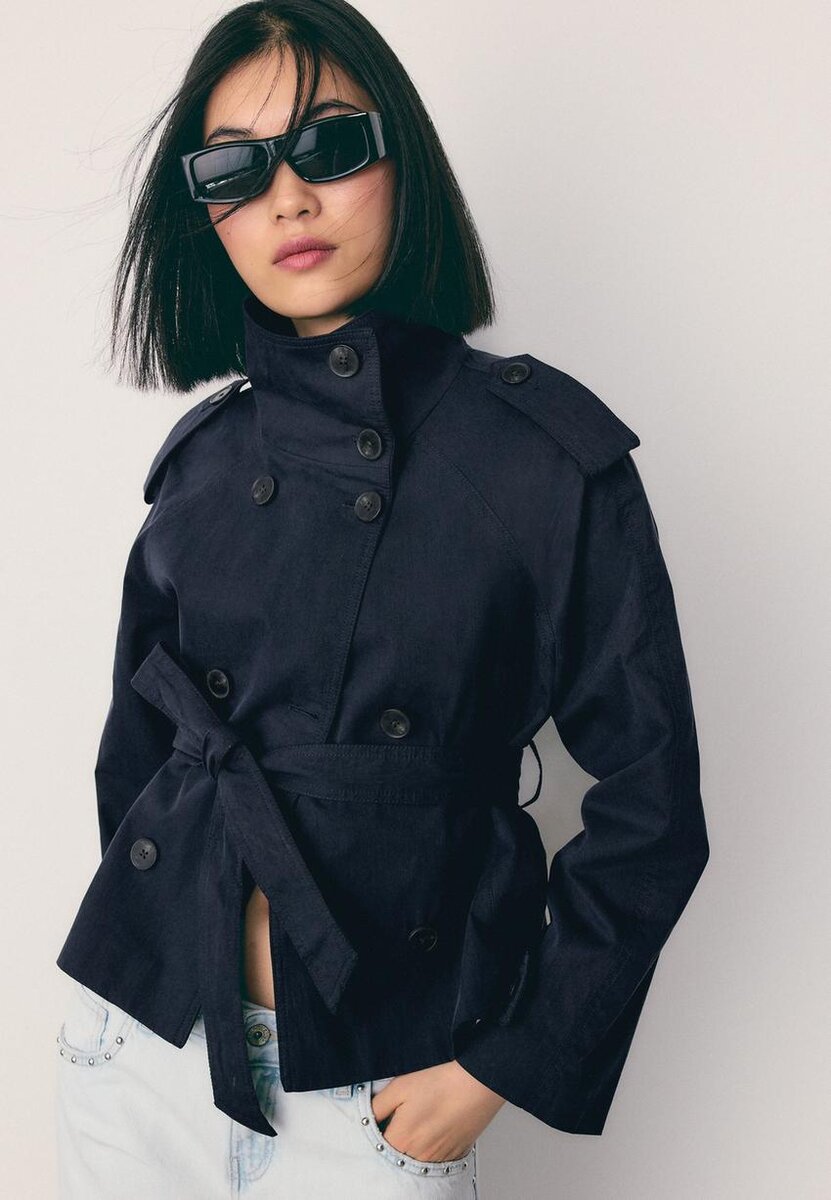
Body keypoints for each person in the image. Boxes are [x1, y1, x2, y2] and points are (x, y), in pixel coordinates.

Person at [53, 2, 710, 1196]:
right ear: (205, 213)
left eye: (331, 145)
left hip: (377, 1098)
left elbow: (652, 806)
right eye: (235, 170)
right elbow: (136, 761)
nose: (288, 199)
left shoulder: (542, 460)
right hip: (136, 1053)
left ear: (402, 158)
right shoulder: (201, 464)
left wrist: (505, 1063)